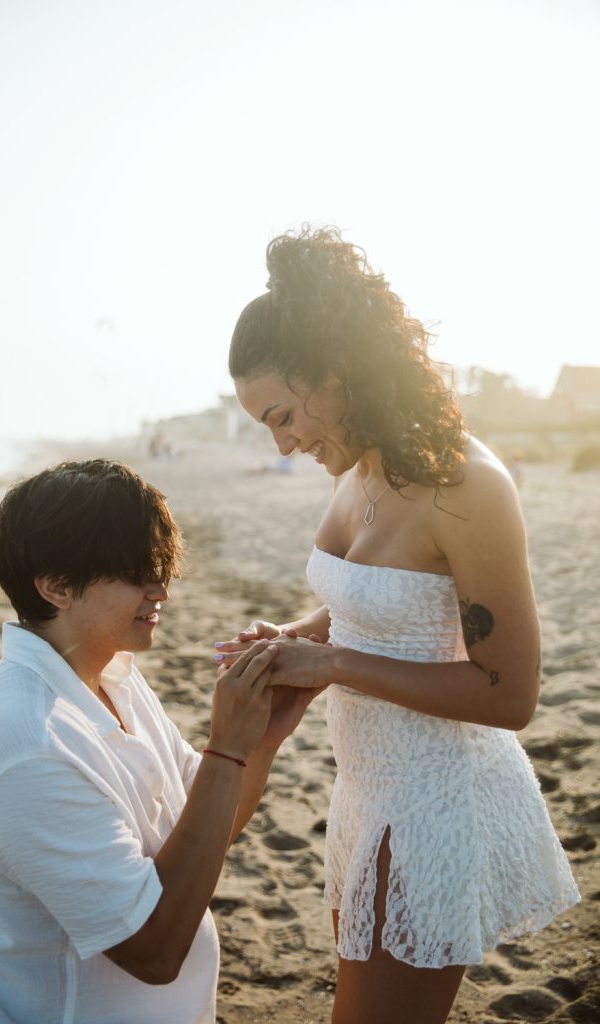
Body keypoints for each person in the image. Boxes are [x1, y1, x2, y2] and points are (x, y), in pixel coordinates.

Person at [215, 227, 580, 1024]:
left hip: (432, 801)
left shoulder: (467, 487)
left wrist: (335, 665)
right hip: (363, 790)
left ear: (334, 373)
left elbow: (509, 693)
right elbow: (376, 602)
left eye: (282, 415)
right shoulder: (361, 467)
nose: (283, 444)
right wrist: (297, 638)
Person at [0, 459, 319, 1024]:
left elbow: (205, 826)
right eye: (136, 571)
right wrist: (226, 748)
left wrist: (257, 742)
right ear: (56, 585)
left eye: (160, 566)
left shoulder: (109, 671)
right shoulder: (29, 745)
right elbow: (153, 950)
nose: (160, 589)